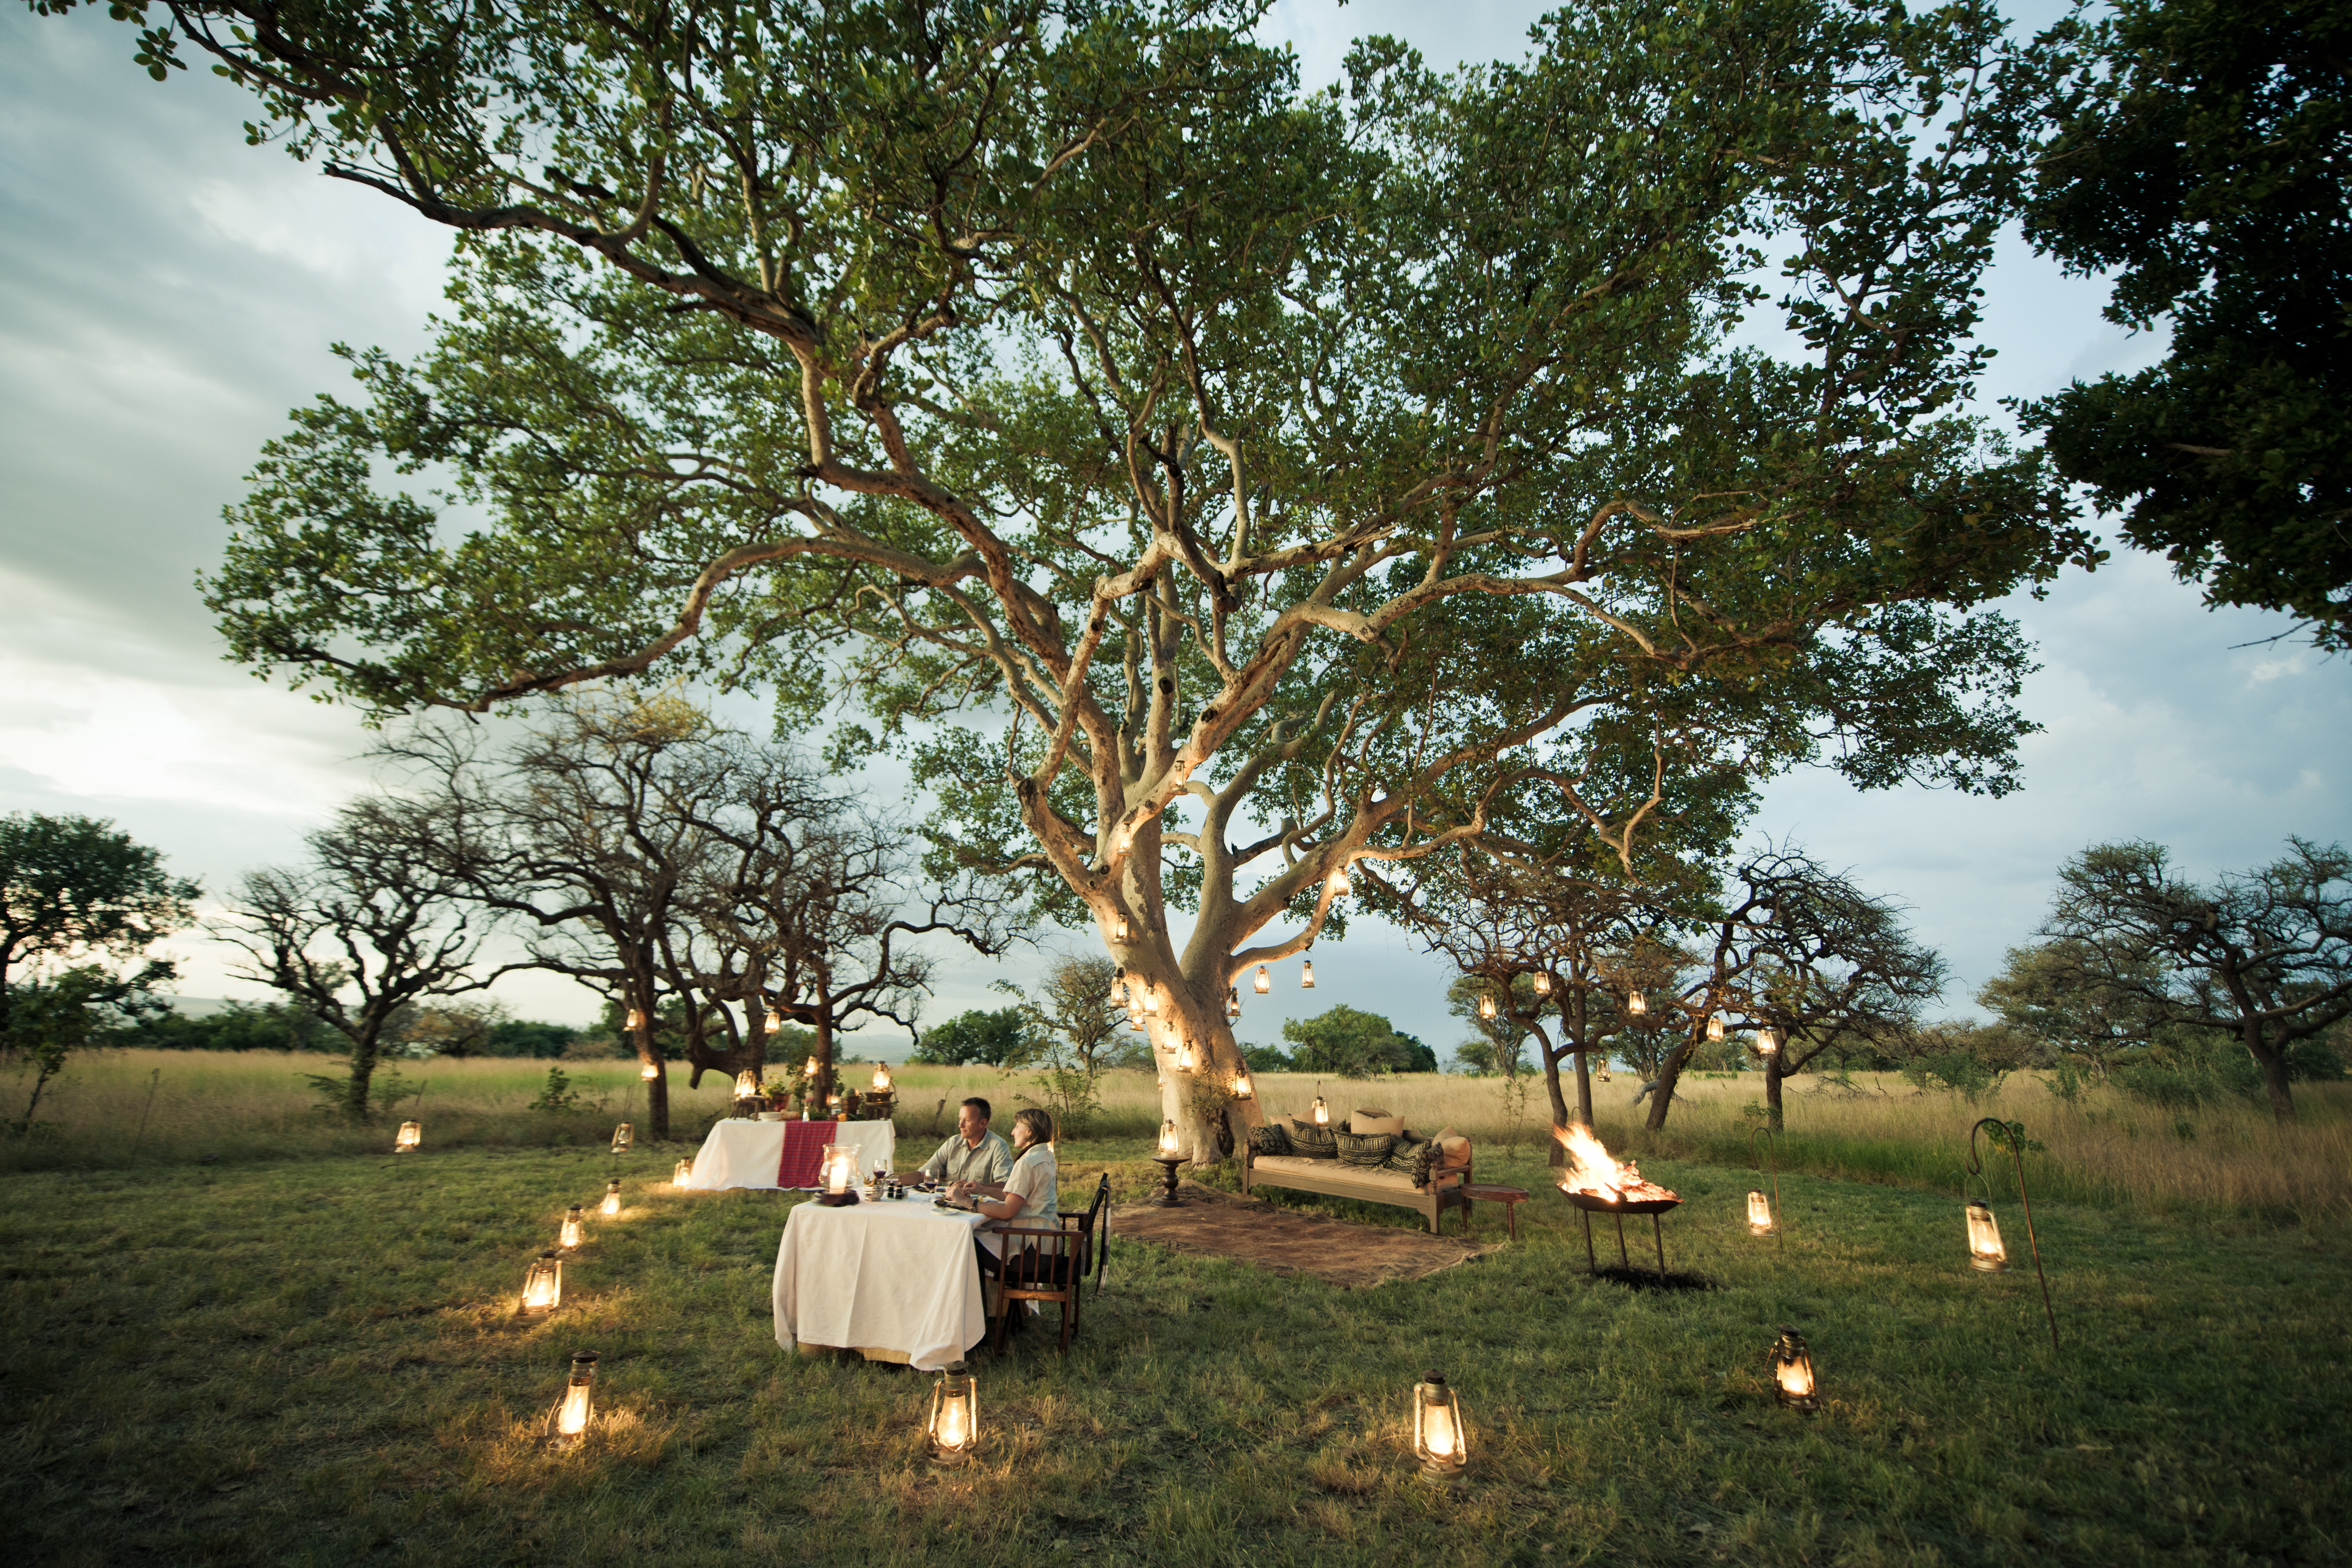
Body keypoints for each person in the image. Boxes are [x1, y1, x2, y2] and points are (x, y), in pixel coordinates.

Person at [952, 1106, 1059, 1277]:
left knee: (963, 1243)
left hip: (1032, 1253)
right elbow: (1019, 1195)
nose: (1013, 1132)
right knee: (978, 1235)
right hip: (1048, 1246)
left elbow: (1008, 1212)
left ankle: (978, 1303)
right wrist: (982, 1189)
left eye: (1017, 1126)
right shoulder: (1045, 1157)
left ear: (1030, 1132)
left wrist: (966, 1202)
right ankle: (1004, 1303)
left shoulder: (1027, 1163)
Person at [915, 1097, 1013, 1188]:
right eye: (960, 1119)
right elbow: (923, 1174)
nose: (960, 1125)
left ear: (983, 1123)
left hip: (978, 1204)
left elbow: (1005, 1185)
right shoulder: (953, 1143)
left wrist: (976, 1188)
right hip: (947, 1202)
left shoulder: (998, 1146)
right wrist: (900, 1181)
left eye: (967, 1120)